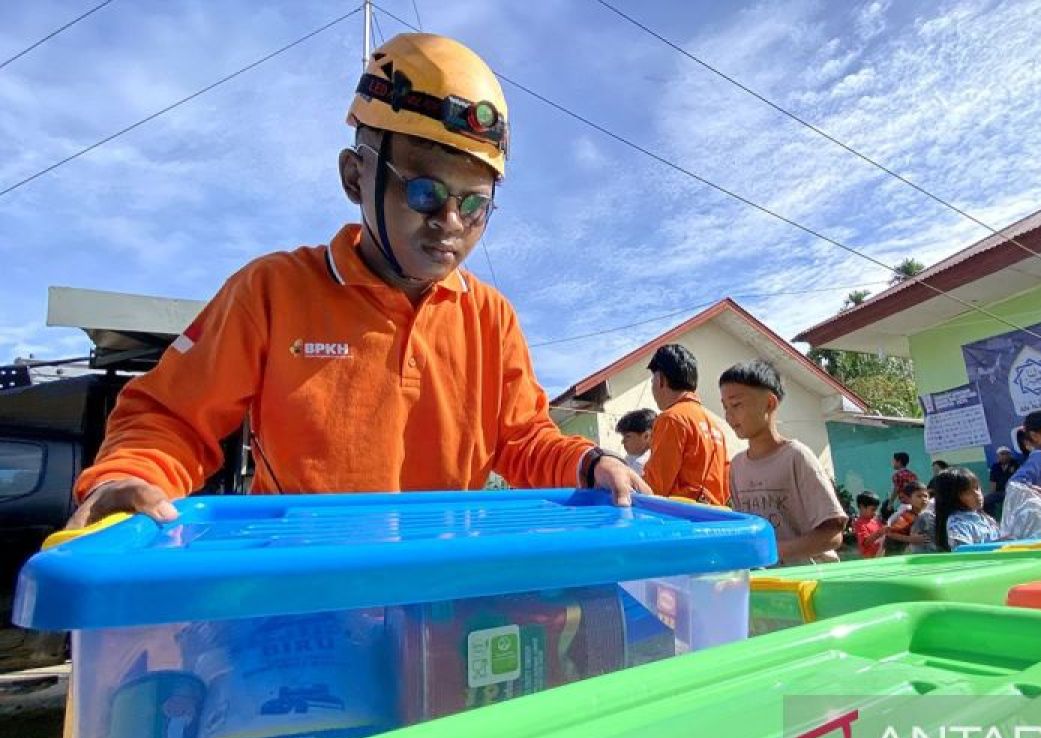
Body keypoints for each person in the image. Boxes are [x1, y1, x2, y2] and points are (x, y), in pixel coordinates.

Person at [65, 33, 648, 529]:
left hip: (441, 601)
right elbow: (171, 417)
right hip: (307, 604)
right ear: (354, 177)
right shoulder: (272, 292)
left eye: (474, 205)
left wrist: (591, 463)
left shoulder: (490, 320)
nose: (449, 223)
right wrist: (129, 478)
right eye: (425, 192)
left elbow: (523, 439)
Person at [719, 360, 847, 565]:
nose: (729, 415)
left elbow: (832, 535)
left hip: (809, 583)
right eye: (725, 407)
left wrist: (771, 550)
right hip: (769, 584)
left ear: (770, 403)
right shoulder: (737, 466)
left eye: (736, 405)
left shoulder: (797, 457)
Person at [642, 344, 730, 504]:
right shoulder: (714, 424)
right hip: (714, 518)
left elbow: (655, 487)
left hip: (682, 519)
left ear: (661, 379)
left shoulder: (672, 418)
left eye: (652, 380)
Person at [933, 467, 1002, 551]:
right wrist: (999, 545)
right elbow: (964, 553)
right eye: (967, 492)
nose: (977, 494)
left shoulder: (984, 517)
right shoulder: (958, 523)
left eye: (977, 488)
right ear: (952, 498)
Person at [883, 481, 931, 555]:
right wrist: (910, 539)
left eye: (926, 496)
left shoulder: (929, 515)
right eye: (919, 496)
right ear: (909, 499)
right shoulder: (907, 516)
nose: (923, 499)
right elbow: (890, 533)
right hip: (898, 554)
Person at [614, 409, 656, 477]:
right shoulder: (631, 458)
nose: (622, 442)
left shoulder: (641, 464)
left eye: (627, 436)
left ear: (646, 436)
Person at [983, 446, 1018, 517]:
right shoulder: (995, 467)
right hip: (1000, 493)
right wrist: (991, 494)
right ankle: (992, 519)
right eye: (1002, 454)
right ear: (998, 456)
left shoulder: (1016, 465)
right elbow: (993, 482)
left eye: (1006, 454)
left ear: (1010, 455)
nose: (1004, 456)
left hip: (1014, 491)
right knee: (986, 500)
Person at [852, 491, 885, 559]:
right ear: (862, 507)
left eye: (876, 510)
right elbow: (865, 543)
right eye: (873, 509)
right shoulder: (859, 523)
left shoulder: (875, 521)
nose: (875, 512)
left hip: (879, 556)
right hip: (868, 559)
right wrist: (879, 533)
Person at [886, 451, 918, 518]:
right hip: (915, 503)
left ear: (899, 462)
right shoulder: (913, 475)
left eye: (894, 461)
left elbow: (896, 490)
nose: (892, 463)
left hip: (905, 503)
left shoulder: (897, 475)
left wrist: (890, 503)